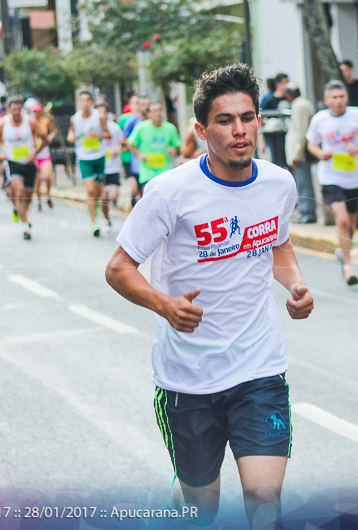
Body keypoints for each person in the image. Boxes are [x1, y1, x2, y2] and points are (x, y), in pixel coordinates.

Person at [105, 64, 313, 526]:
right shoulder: (169, 193)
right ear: (201, 130)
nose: (239, 130)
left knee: (264, 499)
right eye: (224, 120)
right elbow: (118, 268)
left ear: (260, 120)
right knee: (202, 507)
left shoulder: (278, 183)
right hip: (189, 379)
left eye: (247, 117)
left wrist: (295, 284)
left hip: (259, 369)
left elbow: (278, 243)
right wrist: (165, 305)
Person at [306, 81, 358, 285]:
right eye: (334, 97)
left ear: (347, 98)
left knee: (352, 225)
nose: (338, 101)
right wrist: (320, 152)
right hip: (330, 177)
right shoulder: (320, 120)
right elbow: (311, 143)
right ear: (327, 100)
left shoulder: (357, 116)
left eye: (342, 97)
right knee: (343, 220)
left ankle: (342, 250)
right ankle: (348, 267)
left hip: (355, 177)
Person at [0, 95, 49, 240]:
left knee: (28, 195)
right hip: (13, 162)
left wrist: (35, 154)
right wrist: (1, 153)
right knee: (19, 191)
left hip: (29, 163)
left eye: (18, 109)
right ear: (9, 110)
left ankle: (24, 214)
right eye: (13, 109)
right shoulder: (3, 124)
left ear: (22, 109)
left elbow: (45, 138)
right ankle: (25, 225)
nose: (16, 112)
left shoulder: (30, 122)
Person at [68, 91, 111, 236]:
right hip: (84, 157)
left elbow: (108, 134)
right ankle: (94, 223)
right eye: (82, 101)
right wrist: (71, 137)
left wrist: (96, 135)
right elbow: (71, 134)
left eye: (87, 100)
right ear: (78, 103)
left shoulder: (99, 116)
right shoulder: (75, 119)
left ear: (91, 102)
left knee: (100, 193)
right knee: (91, 190)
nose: (85, 103)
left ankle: (105, 216)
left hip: (99, 156)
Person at [127, 101, 180, 202]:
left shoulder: (170, 128)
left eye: (160, 110)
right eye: (154, 111)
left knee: (165, 201)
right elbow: (130, 143)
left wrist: (174, 151)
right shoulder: (141, 128)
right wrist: (138, 155)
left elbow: (177, 147)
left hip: (165, 171)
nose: (158, 113)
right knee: (150, 201)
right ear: (149, 114)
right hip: (147, 172)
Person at [284, 85, 316, 224]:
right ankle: (306, 212)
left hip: (301, 153)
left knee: (304, 183)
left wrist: (297, 154)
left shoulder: (300, 106)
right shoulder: (300, 104)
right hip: (300, 152)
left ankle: (307, 213)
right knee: (302, 182)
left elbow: (301, 132)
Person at [31, 103, 58, 211]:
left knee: (47, 177)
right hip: (33, 156)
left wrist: (50, 138)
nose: (35, 114)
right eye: (33, 111)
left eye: (37, 111)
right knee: (37, 181)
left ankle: (48, 196)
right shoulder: (29, 123)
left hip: (44, 154)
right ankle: (38, 201)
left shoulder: (45, 121)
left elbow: (54, 131)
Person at [261, 73, 289, 169]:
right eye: (284, 82)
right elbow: (262, 120)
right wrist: (263, 142)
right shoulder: (269, 100)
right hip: (273, 136)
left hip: (287, 135)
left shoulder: (289, 99)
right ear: (278, 84)